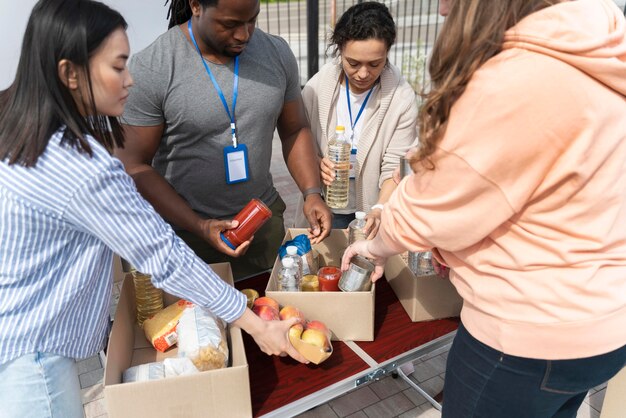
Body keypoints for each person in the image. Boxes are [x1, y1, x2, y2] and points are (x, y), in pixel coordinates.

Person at [0, 1, 307, 416]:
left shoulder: (22, 130)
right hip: (35, 362)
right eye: (118, 67)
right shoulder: (82, 167)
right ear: (70, 74)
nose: (131, 80)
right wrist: (254, 324)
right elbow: (162, 253)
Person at [342, 0, 626, 416]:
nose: (440, 10)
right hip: (604, 326)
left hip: (525, 338)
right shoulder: (598, 55)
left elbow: (439, 201)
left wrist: (377, 245)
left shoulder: (516, 79)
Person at [115, 0, 332, 280]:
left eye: (251, 20)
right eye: (229, 24)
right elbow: (134, 165)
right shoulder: (154, 66)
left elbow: (294, 129)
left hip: (261, 230)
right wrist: (200, 225)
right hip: (184, 240)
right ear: (196, 6)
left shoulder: (276, 53)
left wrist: (312, 193)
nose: (244, 34)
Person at [295, 1, 418, 235]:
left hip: (372, 210)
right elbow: (300, 141)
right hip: (325, 205)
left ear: (388, 53)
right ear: (340, 49)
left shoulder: (401, 98)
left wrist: (380, 208)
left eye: (375, 64)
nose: (363, 74)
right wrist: (317, 162)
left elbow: (395, 166)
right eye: (353, 63)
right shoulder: (317, 89)